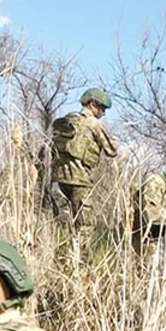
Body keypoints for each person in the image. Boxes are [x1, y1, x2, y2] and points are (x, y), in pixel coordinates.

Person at [51, 87, 118, 231]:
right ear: (92, 104)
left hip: (58, 180)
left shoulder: (67, 120)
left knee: (62, 223)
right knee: (84, 226)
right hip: (80, 180)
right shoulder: (94, 124)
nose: (104, 113)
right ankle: (80, 254)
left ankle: (61, 252)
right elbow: (112, 150)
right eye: (102, 108)